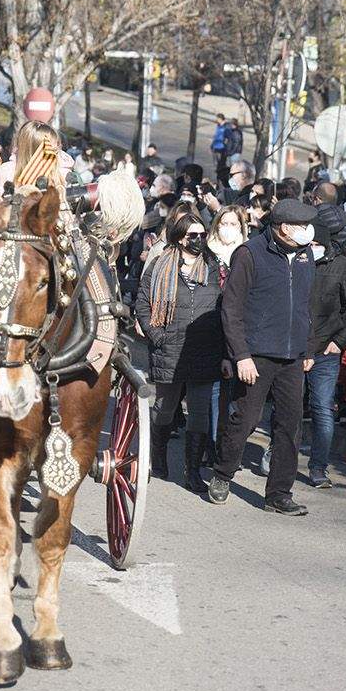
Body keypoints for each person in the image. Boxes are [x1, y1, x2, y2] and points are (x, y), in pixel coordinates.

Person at [208, 198, 318, 515]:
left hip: (293, 356)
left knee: (290, 425)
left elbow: (307, 305)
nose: (307, 231)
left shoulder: (305, 254)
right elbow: (231, 309)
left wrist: (308, 347)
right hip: (255, 355)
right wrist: (240, 355)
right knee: (245, 420)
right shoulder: (250, 254)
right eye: (301, 226)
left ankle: (279, 494)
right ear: (283, 228)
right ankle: (222, 474)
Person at [135, 209, 225, 492]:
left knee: (199, 413)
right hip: (169, 346)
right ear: (179, 238)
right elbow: (142, 304)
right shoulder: (161, 265)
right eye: (192, 236)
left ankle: (192, 471)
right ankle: (158, 458)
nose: (198, 240)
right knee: (165, 408)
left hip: (204, 348)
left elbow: (227, 304)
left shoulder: (214, 266)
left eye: (202, 235)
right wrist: (156, 336)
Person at [302, 202, 346, 488]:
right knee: (286, 408)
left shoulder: (342, 266)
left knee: (322, 408)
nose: (312, 247)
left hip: (326, 349)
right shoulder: (295, 262)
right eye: (308, 242)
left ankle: (318, 467)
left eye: (317, 243)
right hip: (293, 348)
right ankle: (278, 452)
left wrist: (339, 342)